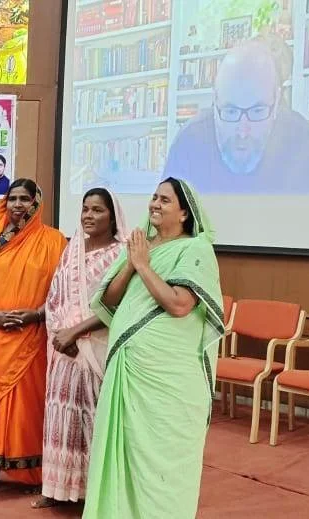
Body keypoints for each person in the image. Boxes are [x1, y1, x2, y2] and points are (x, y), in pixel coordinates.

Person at [82, 177, 225, 519]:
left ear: (185, 214)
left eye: (164, 200)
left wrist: (143, 266)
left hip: (167, 379)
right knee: (126, 455)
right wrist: (133, 262)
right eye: (153, 198)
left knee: (162, 464)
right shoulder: (142, 246)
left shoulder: (195, 250)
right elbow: (110, 299)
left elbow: (179, 305)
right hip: (130, 370)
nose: (154, 205)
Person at [0, 178, 66, 492]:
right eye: (12, 198)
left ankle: (32, 470)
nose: (18, 204)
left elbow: (65, 292)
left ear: (36, 202)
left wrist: (36, 314)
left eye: (24, 199)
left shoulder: (55, 241)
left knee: (29, 404)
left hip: (32, 334)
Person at [32, 188, 127, 509]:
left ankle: (90, 493)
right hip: (63, 351)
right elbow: (55, 297)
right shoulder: (71, 251)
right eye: (85, 209)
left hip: (96, 347)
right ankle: (56, 489)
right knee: (60, 420)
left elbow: (118, 306)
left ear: (112, 216)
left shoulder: (121, 255)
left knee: (94, 419)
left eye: (97, 210)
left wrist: (76, 333)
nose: (88, 215)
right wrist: (62, 335)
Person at [165, 40, 309, 194]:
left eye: (257, 111)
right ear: (215, 101)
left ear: (276, 102)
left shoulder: (301, 139)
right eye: (231, 111)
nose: (243, 131)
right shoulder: (189, 141)